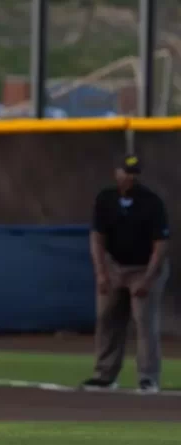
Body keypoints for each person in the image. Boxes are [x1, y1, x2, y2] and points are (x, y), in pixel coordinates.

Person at [81, 154, 170, 393]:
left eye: (134, 173)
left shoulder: (151, 202)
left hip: (144, 267)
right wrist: (101, 273)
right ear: (116, 172)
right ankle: (105, 374)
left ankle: (148, 377)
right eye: (126, 171)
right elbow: (97, 239)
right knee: (107, 319)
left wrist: (149, 279)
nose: (130, 176)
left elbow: (160, 246)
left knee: (144, 322)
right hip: (114, 266)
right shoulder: (106, 199)